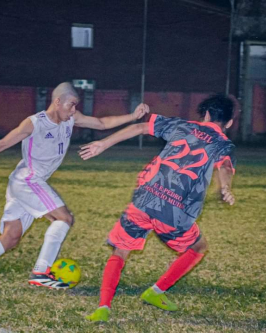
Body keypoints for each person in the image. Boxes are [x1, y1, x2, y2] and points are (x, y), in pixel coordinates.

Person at [0, 82, 149, 291]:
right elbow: (2, 144)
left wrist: (132, 116)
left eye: (76, 106)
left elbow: (102, 123)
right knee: (64, 218)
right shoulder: (34, 123)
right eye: (71, 104)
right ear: (57, 102)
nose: (74, 110)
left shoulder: (71, 119)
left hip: (24, 182)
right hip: (28, 180)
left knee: (11, 237)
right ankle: (41, 272)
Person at [79, 94, 236, 322]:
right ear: (229, 123)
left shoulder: (181, 125)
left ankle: (103, 306)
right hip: (174, 212)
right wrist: (226, 188)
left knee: (121, 250)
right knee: (198, 247)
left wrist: (102, 143)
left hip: (145, 199)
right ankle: (156, 291)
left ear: (207, 114)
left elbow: (141, 126)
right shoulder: (223, 143)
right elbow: (226, 166)